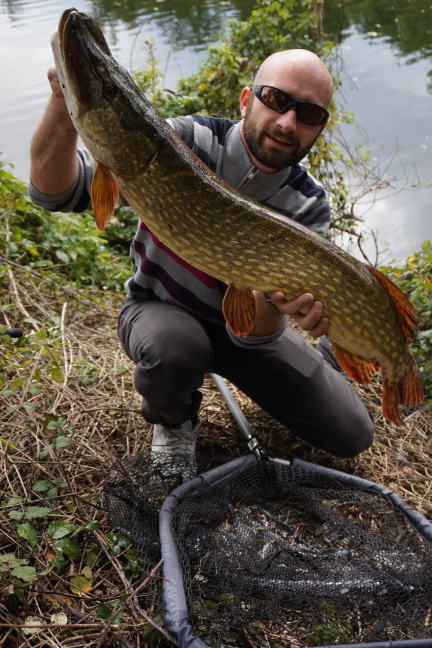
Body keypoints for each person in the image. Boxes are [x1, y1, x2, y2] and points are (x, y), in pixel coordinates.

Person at [29, 46, 374, 463]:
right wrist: (61, 104)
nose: (287, 123)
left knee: (353, 434)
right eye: (277, 100)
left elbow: (260, 332)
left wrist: (276, 301)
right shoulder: (186, 140)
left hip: (246, 339)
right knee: (175, 349)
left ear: (319, 129)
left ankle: (331, 360)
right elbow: (55, 193)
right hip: (160, 310)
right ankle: (174, 423)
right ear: (247, 100)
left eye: (309, 114)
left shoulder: (309, 203)